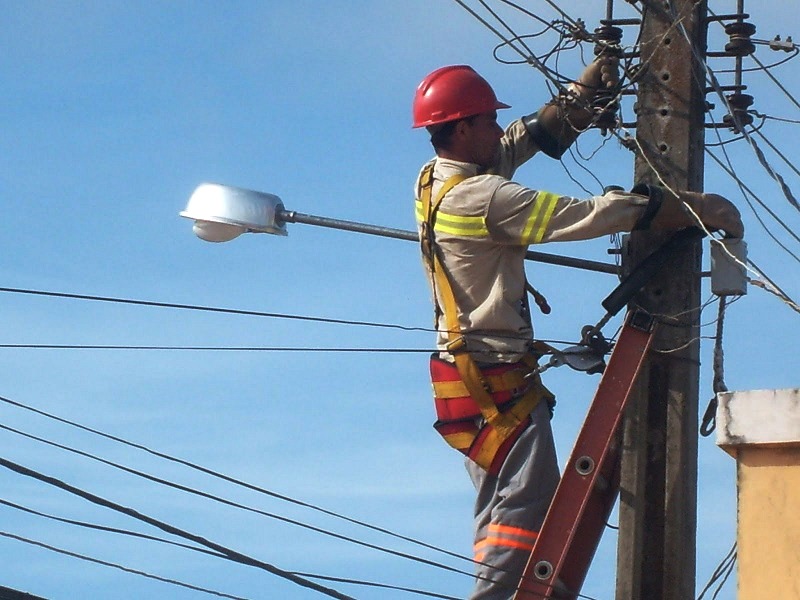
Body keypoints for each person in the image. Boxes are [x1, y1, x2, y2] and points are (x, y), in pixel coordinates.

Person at [411, 61, 743, 600]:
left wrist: (577, 100)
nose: (498, 129)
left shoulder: (435, 181)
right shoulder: (485, 200)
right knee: (526, 500)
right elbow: (587, 216)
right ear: (463, 129)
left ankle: (498, 587)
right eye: (488, 121)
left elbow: (513, 145)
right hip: (494, 376)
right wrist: (690, 208)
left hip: (461, 376)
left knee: (499, 502)